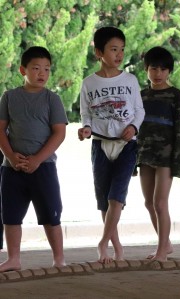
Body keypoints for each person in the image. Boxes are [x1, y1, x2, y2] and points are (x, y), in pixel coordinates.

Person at [78, 27, 145, 264]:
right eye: (113, 49)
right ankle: (116, 246)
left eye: (122, 49)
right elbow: (85, 114)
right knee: (105, 199)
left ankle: (102, 243)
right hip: (100, 145)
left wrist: (134, 127)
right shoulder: (88, 83)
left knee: (117, 197)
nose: (119, 54)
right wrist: (86, 129)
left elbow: (139, 110)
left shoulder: (130, 80)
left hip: (127, 146)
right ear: (98, 52)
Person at [0, 46, 68, 272]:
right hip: (12, 167)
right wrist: (10, 156)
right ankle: (14, 258)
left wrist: (38, 159)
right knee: (10, 216)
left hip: (44, 166)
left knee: (51, 215)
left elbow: (59, 132)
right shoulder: (9, 97)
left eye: (47, 69)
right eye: (36, 68)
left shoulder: (52, 99)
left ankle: (59, 258)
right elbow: (1, 130)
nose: (42, 74)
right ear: (23, 70)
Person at [136, 46, 180, 262]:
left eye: (163, 69)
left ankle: (161, 252)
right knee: (148, 203)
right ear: (146, 69)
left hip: (166, 158)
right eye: (153, 68)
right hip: (145, 155)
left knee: (160, 203)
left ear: (169, 72)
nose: (158, 74)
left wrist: (177, 163)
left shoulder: (175, 95)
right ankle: (165, 244)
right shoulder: (141, 95)